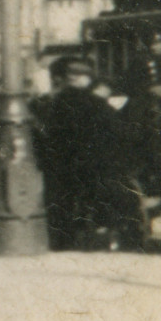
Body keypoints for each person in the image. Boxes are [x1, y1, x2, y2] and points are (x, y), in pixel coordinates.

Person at [34, 56, 127, 250]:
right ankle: (102, 232)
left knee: (61, 198)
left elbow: (45, 131)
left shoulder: (52, 101)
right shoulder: (97, 102)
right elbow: (116, 129)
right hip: (94, 161)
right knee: (102, 190)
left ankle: (63, 238)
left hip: (63, 161)